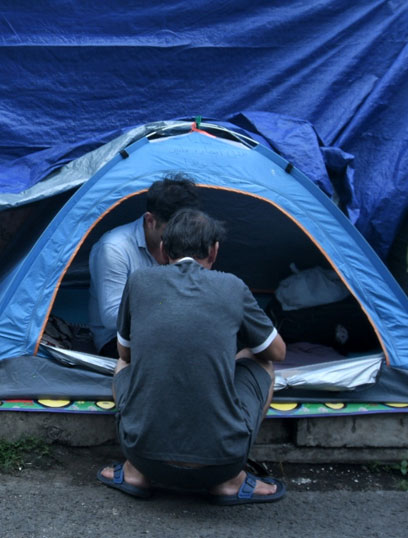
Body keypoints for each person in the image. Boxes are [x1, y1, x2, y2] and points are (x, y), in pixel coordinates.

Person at [97, 208, 287, 505]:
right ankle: (232, 480)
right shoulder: (233, 286)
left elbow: (125, 353)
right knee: (261, 359)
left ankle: (133, 471)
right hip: (221, 461)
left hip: (144, 455)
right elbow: (278, 351)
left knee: (124, 363)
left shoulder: (139, 282)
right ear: (214, 251)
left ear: (163, 250)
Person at [87, 176, 200, 356]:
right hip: (117, 340)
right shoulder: (115, 248)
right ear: (150, 221)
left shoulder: (184, 239)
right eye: (169, 231)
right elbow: (111, 317)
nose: (177, 239)